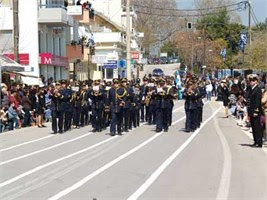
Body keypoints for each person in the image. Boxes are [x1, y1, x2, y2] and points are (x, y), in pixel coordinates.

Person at [248, 75, 263, 148]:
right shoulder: (251, 89)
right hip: (251, 110)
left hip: (255, 111)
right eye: (250, 81)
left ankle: (259, 142)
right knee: (253, 126)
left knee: (257, 127)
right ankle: (255, 141)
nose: (251, 82)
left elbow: (257, 101)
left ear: (256, 81)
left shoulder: (258, 89)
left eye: (252, 80)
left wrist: (256, 111)